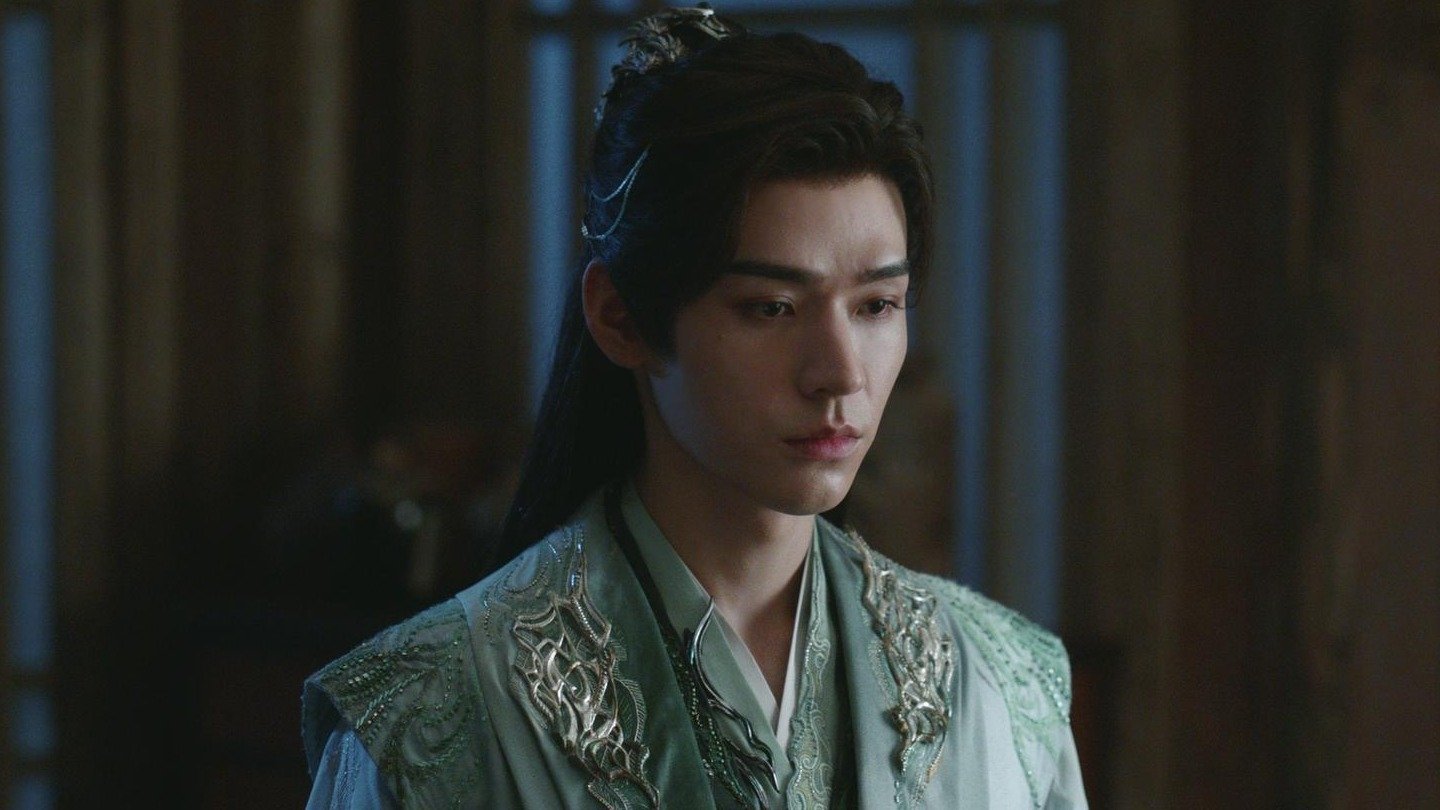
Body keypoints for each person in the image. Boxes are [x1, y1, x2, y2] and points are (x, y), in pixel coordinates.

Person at [302, 5, 1086, 808]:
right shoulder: (433, 717)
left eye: (877, 305)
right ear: (621, 318)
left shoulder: (1001, 685)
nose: (840, 373)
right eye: (771, 308)